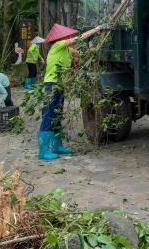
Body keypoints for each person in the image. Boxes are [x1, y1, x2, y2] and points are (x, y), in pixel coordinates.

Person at [37, 23, 105, 160]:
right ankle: (43, 151)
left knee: (57, 115)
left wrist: (92, 48)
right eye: (70, 36)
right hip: (52, 84)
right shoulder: (58, 45)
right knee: (49, 114)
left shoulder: (68, 50)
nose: (72, 37)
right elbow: (80, 39)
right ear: (63, 37)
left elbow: (82, 54)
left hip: (61, 84)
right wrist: (97, 29)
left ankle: (57, 146)